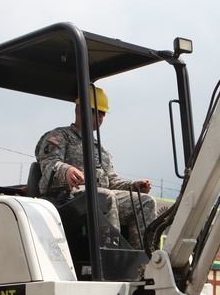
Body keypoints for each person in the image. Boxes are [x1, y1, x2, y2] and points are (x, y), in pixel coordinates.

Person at [34, 85, 156, 250]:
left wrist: (133, 186)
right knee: (105, 197)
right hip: (64, 197)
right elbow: (49, 163)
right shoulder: (60, 137)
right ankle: (111, 256)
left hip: (96, 198)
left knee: (145, 201)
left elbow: (111, 181)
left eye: (102, 113)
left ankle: (146, 262)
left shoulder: (101, 151)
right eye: (94, 111)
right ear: (79, 110)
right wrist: (67, 170)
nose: (99, 116)